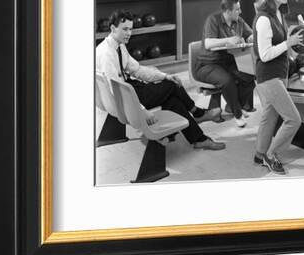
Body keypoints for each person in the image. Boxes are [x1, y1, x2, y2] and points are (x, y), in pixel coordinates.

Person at [96, 10, 225, 150]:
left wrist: (164, 76)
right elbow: (116, 90)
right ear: (113, 28)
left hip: (130, 91)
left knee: (173, 102)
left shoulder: (118, 45)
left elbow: (137, 70)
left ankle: (199, 139)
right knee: (171, 86)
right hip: (128, 99)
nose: (129, 33)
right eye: (125, 29)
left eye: (131, 29)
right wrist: (142, 110)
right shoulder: (106, 54)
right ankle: (198, 113)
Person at [252, 0, 304, 175]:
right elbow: (265, 55)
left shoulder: (278, 13)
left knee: (270, 115)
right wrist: (288, 43)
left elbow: (281, 45)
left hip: (279, 72)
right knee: (294, 119)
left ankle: (259, 154)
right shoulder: (264, 19)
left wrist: (293, 45)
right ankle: (271, 154)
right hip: (268, 76)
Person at [196, 0, 256, 127]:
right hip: (207, 64)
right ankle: (238, 114)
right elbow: (208, 44)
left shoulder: (238, 21)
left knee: (250, 77)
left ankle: (233, 106)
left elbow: (250, 34)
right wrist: (228, 40)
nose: (240, 12)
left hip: (227, 62)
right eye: (237, 10)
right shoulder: (213, 20)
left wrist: (251, 38)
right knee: (227, 80)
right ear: (227, 11)